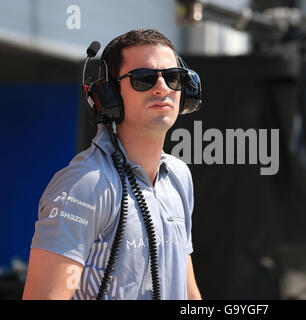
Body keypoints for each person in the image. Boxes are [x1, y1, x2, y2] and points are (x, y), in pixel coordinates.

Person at [22, 29, 202, 300]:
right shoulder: (84, 184)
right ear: (109, 96)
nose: (163, 87)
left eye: (173, 77)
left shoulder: (179, 177)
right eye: (144, 78)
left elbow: (185, 286)